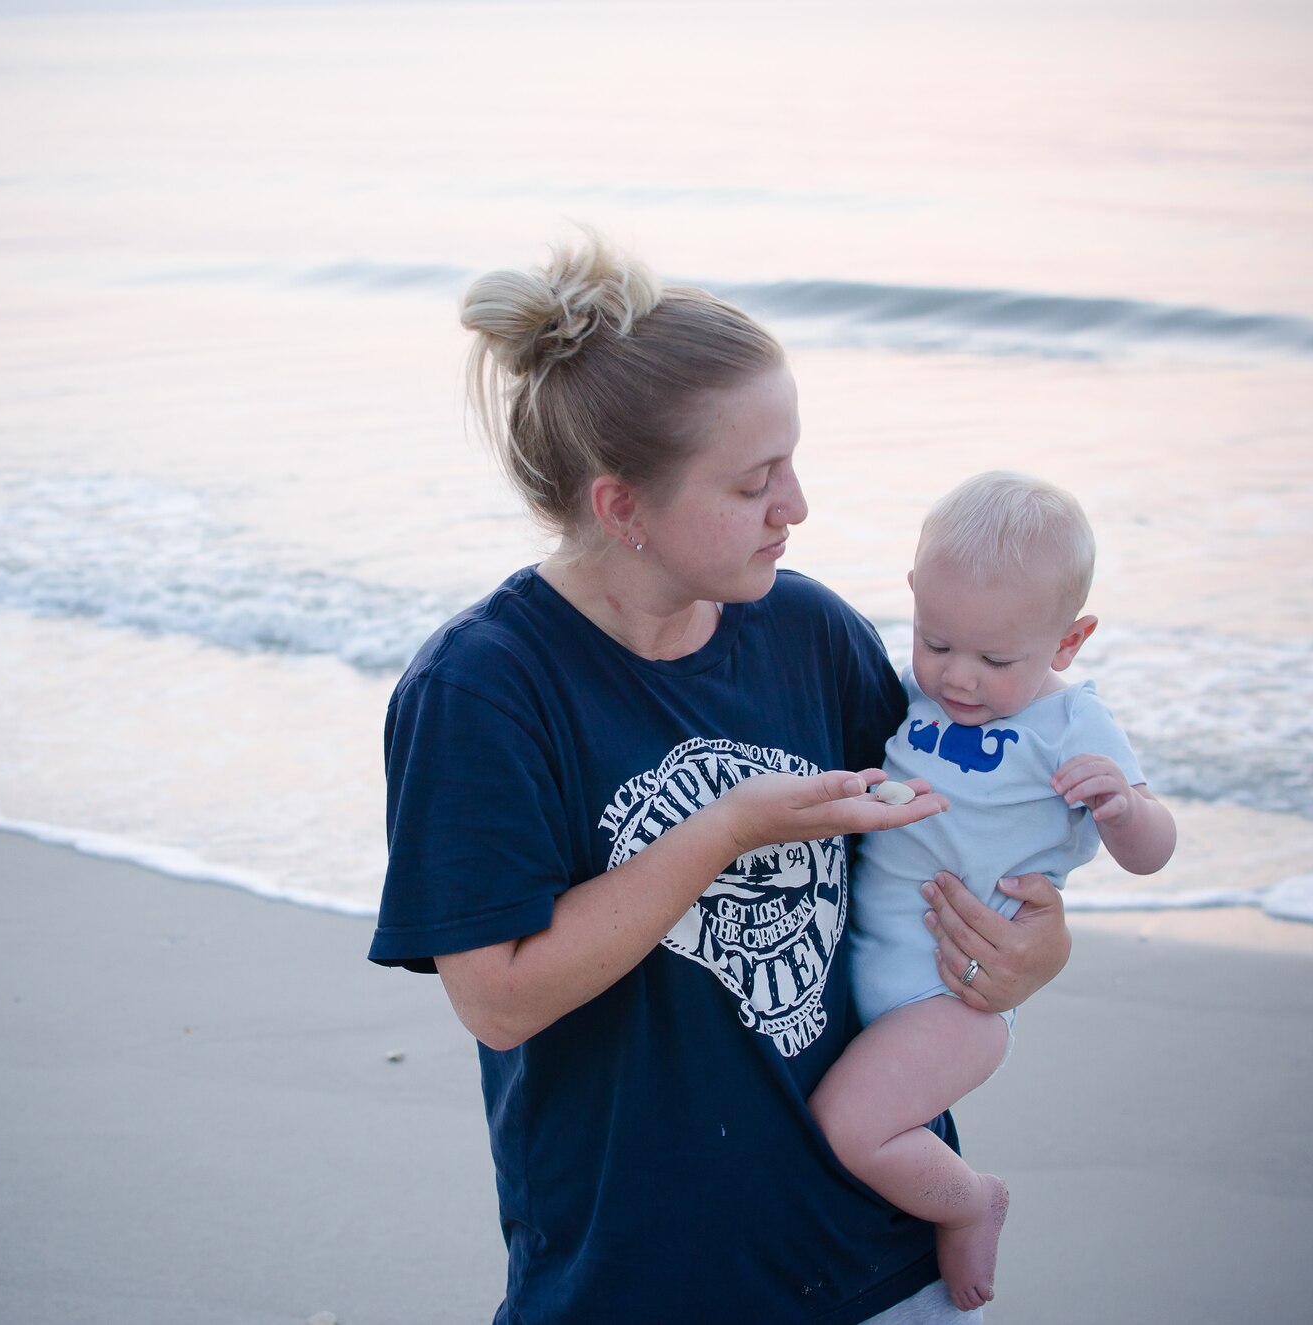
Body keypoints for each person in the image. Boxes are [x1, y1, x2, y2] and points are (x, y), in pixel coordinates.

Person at [367, 231, 1073, 1324]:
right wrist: (719, 831)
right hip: (638, 1275)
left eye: (789, 460)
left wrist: (1031, 949)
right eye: (752, 482)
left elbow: (952, 830)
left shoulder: (806, 630)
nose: (794, 503)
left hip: (875, 1248)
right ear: (621, 509)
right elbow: (496, 1000)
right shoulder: (484, 690)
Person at [809, 471, 1178, 1312]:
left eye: (994, 658)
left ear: (1068, 640)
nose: (959, 677)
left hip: (952, 1000)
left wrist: (1121, 806)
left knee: (849, 1125)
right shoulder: (916, 698)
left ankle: (972, 1200)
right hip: (874, 966)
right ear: (913, 600)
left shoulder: (1071, 723)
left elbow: (1154, 849)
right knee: (854, 1120)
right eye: (935, 641)